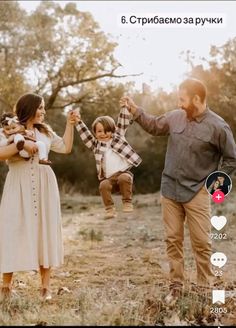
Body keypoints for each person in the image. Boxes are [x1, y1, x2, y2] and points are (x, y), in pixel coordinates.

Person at [120, 78, 236, 304]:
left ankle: (204, 289)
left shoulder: (218, 126)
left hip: (197, 192)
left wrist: (212, 186)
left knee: (202, 243)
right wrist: (135, 110)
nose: (180, 104)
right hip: (170, 189)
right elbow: (153, 125)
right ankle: (176, 287)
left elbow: (231, 159)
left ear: (196, 99)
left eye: (183, 100)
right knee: (172, 240)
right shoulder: (175, 117)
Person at [0, 93, 76, 302]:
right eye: (40, 107)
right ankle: (6, 286)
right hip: (18, 184)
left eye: (44, 107)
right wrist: (21, 145)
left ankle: (45, 287)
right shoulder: (8, 130)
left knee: (46, 230)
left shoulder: (46, 132)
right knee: (13, 230)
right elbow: (0, 153)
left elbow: (66, 148)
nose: (43, 111)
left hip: (45, 184)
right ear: (29, 108)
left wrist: (70, 124)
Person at [74, 106, 142, 219]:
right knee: (103, 185)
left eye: (107, 131)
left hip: (122, 173)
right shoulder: (96, 145)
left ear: (113, 130)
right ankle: (109, 209)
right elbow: (85, 135)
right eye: (100, 131)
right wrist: (77, 121)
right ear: (95, 133)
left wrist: (124, 107)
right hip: (109, 178)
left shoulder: (118, 138)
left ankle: (127, 202)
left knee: (124, 178)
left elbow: (123, 122)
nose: (104, 134)